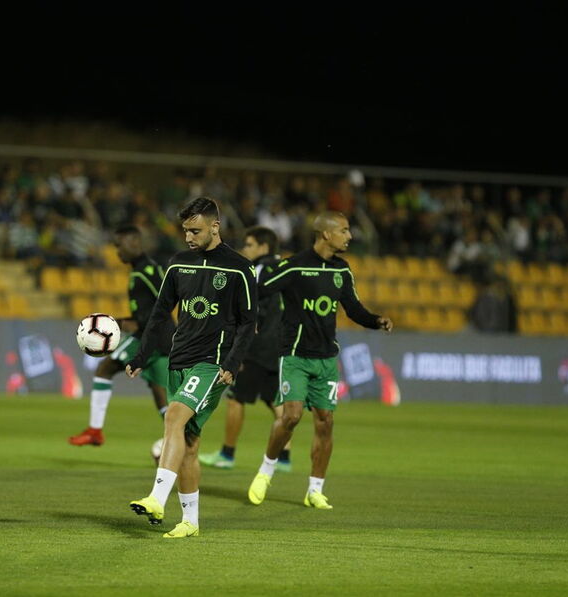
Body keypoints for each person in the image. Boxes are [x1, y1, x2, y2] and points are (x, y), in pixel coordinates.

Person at [125, 197, 257, 538]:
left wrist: (233, 361)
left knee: (173, 416)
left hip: (213, 363)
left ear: (215, 227)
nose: (188, 237)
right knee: (189, 443)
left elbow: (248, 322)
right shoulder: (179, 263)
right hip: (178, 359)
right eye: (185, 230)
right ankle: (190, 522)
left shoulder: (239, 268)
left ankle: (157, 498)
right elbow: (159, 314)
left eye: (195, 230)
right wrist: (141, 355)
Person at [247, 211, 392, 510]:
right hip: (296, 356)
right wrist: (247, 320)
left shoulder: (342, 270)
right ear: (326, 234)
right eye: (345, 230)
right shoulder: (295, 266)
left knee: (326, 422)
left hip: (326, 359)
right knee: (291, 416)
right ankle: (266, 470)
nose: (350, 236)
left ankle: (315, 489)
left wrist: (376, 320)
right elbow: (258, 291)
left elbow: (353, 308)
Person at [199, 226, 293, 471]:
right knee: (275, 400)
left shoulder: (259, 270)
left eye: (249, 245)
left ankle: (226, 454)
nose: (245, 250)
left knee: (235, 399)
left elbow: (251, 308)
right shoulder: (285, 268)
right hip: (281, 345)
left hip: (258, 346)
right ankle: (283, 457)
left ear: (263, 247)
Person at [69, 225, 172, 446]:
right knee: (158, 388)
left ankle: (95, 430)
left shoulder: (148, 272)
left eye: (120, 245)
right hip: (156, 335)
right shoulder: (139, 270)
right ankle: (179, 436)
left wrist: (129, 322)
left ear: (135, 242)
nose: (118, 252)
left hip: (152, 335)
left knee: (105, 368)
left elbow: (167, 301)